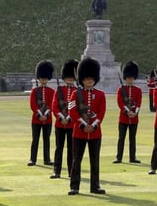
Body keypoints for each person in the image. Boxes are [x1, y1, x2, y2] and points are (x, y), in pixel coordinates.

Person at [69, 57, 106, 195]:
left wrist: (94, 125)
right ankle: (74, 186)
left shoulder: (100, 95)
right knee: (76, 160)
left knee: (94, 161)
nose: (89, 81)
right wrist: (83, 124)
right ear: (82, 79)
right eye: (86, 78)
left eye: (91, 78)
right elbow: (72, 111)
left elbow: (102, 112)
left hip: (95, 132)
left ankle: (95, 186)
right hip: (79, 132)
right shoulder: (75, 94)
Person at [50, 59, 78, 180]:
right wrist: (62, 117)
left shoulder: (77, 91)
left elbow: (75, 107)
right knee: (59, 148)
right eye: (68, 77)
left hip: (72, 125)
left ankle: (71, 171)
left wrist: (69, 117)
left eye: (72, 77)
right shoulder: (59, 90)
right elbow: (54, 106)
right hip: (60, 124)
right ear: (64, 77)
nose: (70, 79)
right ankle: (57, 171)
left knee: (71, 149)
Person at [114, 60, 142, 164]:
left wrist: (135, 113)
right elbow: (120, 103)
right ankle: (119, 157)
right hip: (123, 117)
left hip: (134, 117)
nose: (130, 80)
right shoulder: (121, 90)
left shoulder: (138, 90)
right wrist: (127, 112)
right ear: (125, 78)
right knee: (121, 138)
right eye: (128, 78)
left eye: (132, 78)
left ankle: (132, 157)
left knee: (132, 139)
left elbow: (138, 103)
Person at [29, 60, 55, 166]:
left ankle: (47, 159)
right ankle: (32, 159)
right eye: (42, 78)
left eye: (45, 78)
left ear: (48, 78)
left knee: (46, 140)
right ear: (39, 78)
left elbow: (52, 104)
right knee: (35, 140)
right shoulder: (35, 91)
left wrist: (46, 114)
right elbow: (33, 105)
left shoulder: (52, 91)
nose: (43, 80)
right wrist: (40, 114)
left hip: (47, 119)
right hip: (36, 119)